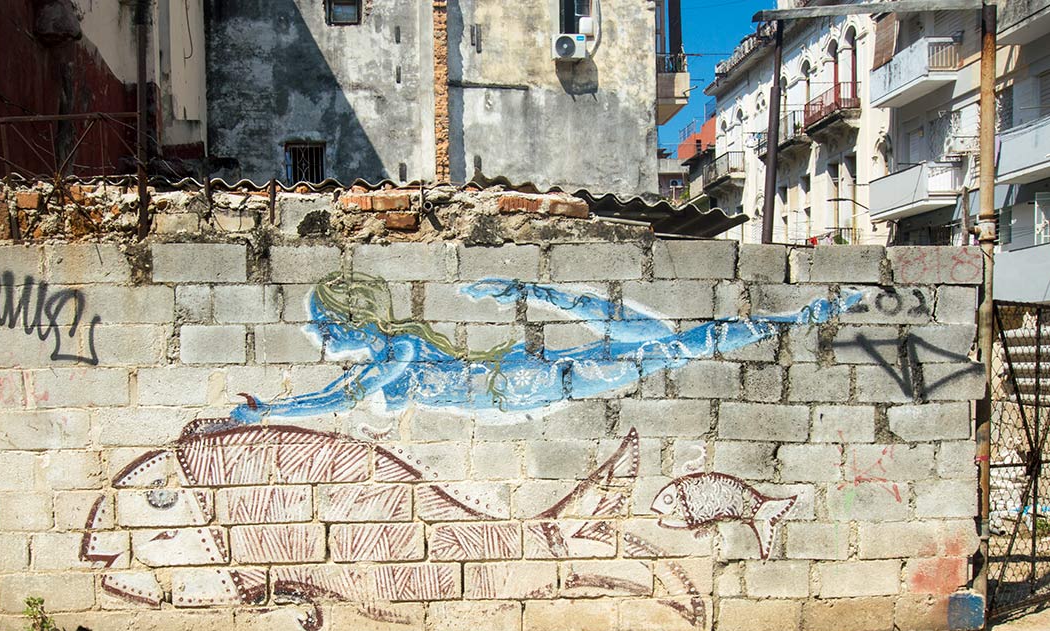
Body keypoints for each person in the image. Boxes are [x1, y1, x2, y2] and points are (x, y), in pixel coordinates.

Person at [231, 271, 862, 422]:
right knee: (661, 345)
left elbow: (338, 396)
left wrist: (268, 413)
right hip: (520, 379)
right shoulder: (398, 351)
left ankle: (806, 315)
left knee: (666, 348)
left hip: (525, 384)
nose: (324, 336)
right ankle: (805, 316)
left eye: (329, 324)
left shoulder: (396, 353)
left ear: (352, 319)